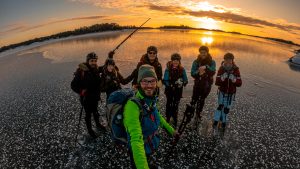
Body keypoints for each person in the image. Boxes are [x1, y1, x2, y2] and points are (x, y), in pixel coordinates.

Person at [123, 64, 179, 169]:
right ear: (139, 83)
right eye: (145, 81)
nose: (149, 85)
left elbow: (157, 115)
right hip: (139, 149)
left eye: (152, 81)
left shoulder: (151, 100)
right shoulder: (132, 106)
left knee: (148, 159)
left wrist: (171, 130)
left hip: (149, 145)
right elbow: (136, 139)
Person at [71, 52, 106, 138]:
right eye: (91, 61)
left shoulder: (96, 68)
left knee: (95, 111)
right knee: (88, 114)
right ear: (88, 61)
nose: (93, 62)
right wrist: (81, 91)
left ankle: (98, 124)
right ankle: (90, 130)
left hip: (95, 96)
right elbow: (73, 85)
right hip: (86, 98)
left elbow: (105, 67)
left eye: (95, 60)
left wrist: (110, 56)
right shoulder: (81, 71)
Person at [213, 53, 242, 132]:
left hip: (231, 94)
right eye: (226, 59)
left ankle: (223, 122)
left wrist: (234, 80)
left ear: (232, 60)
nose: (228, 61)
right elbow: (217, 82)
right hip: (221, 92)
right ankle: (216, 120)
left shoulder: (236, 70)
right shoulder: (221, 69)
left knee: (226, 109)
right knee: (220, 106)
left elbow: (239, 83)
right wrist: (222, 78)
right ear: (224, 60)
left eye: (230, 60)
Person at [190, 46, 216, 126]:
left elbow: (213, 71)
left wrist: (206, 67)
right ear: (200, 53)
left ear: (207, 52)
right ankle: (190, 113)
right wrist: (198, 72)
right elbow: (192, 73)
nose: (203, 54)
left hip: (207, 85)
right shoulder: (196, 61)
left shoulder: (212, 62)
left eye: (204, 52)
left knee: (202, 100)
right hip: (197, 84)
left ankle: (198, 114)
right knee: (194, 99)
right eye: (201, 52)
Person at [163, 53, 188, 128]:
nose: (175, 62)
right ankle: (168, 117)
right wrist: (170, 85)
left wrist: (182, 82)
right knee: (169, 103)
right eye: (174, 60)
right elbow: (165, 80)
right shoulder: (168, 69)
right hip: (169, 90)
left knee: (176, 104)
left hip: (178, 91)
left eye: (177, 60)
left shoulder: (182, 69)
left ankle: (174, 116)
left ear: (179, 61)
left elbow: (185, 79)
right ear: (172, 61)